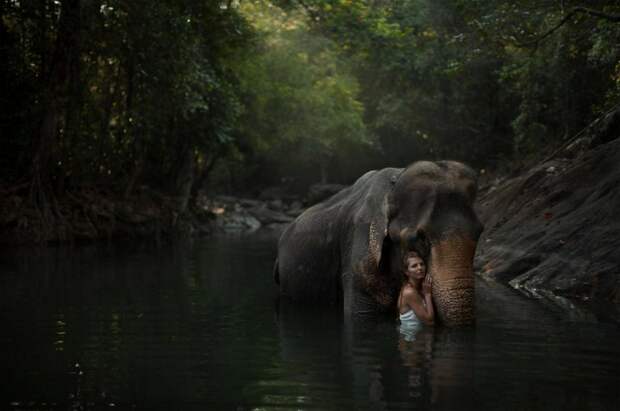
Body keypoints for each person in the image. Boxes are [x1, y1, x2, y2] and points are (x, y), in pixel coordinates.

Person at [398, 251, 434, 341]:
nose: (420, 268)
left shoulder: (418, 288)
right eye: (414, 266)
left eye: (422, 264)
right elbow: (429, 321)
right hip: (411, 341)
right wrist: (428, 294)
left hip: (419, 336)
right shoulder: (409, 292)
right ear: (407, 272)